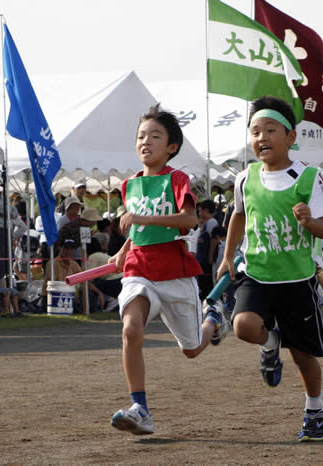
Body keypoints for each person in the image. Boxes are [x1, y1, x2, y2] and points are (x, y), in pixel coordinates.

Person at [217, 96, 323, 442]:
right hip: (257, 273)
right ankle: (269, 343)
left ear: (291, 137)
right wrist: (228, 256)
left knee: (302, 355)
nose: (261, 137)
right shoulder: (245, 178)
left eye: (271, 129)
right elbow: (238, 215)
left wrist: (309, 220)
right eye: (255, 131)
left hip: (297, 280)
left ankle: (314, 408)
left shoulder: (309, 178)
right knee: (243, 326)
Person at [108, 104, 228, 436]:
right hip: (139, 271)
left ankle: (214, 319)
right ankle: (140, 409)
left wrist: (142, 220)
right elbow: (138, 232)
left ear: (171, 147)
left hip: (175, 273)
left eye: (155, 136)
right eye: (140, 136)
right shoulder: (129, 185)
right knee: (131, 331)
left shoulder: (177, 179)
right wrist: (122, 251)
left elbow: (189, 220)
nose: (145, 141)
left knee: (191, 350)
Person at [43, 238, 105, 313]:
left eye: (72, 249)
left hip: (69, 297)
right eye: (66, 248)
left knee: (91, 297)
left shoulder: (74, 264)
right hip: (52, 298)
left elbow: (84, 279)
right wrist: (72, 295)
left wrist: (99, 292)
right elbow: (57, 284)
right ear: (60, 248)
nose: (69, 251)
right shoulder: (52, 264)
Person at [195, 199, 219, 299]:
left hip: (206, 260)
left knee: (207, 283)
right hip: (202, 259)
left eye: (200, 210)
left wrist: (210, 255)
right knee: (202, 282)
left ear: (206, 210)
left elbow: (214, 240)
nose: (199, 213)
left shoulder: (212, 222)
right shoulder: (205, 223)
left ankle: (209, 301)